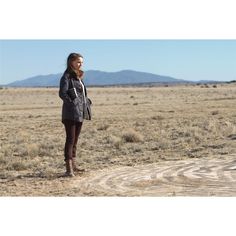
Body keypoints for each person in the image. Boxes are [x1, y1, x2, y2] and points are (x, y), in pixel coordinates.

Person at [59, 52, 88, 177]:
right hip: (70, 114)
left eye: (81, 62)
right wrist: (73, 103)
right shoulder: (66, 77)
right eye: (78, 62)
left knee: (75, 140)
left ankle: (74, 165)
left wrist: (86, 101)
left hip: (80, 113)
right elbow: (62, 93)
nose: (80, 64)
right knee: (70, 140)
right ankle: (68, 169)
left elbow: (80, 93)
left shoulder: (78, 76)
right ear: (71, 62)